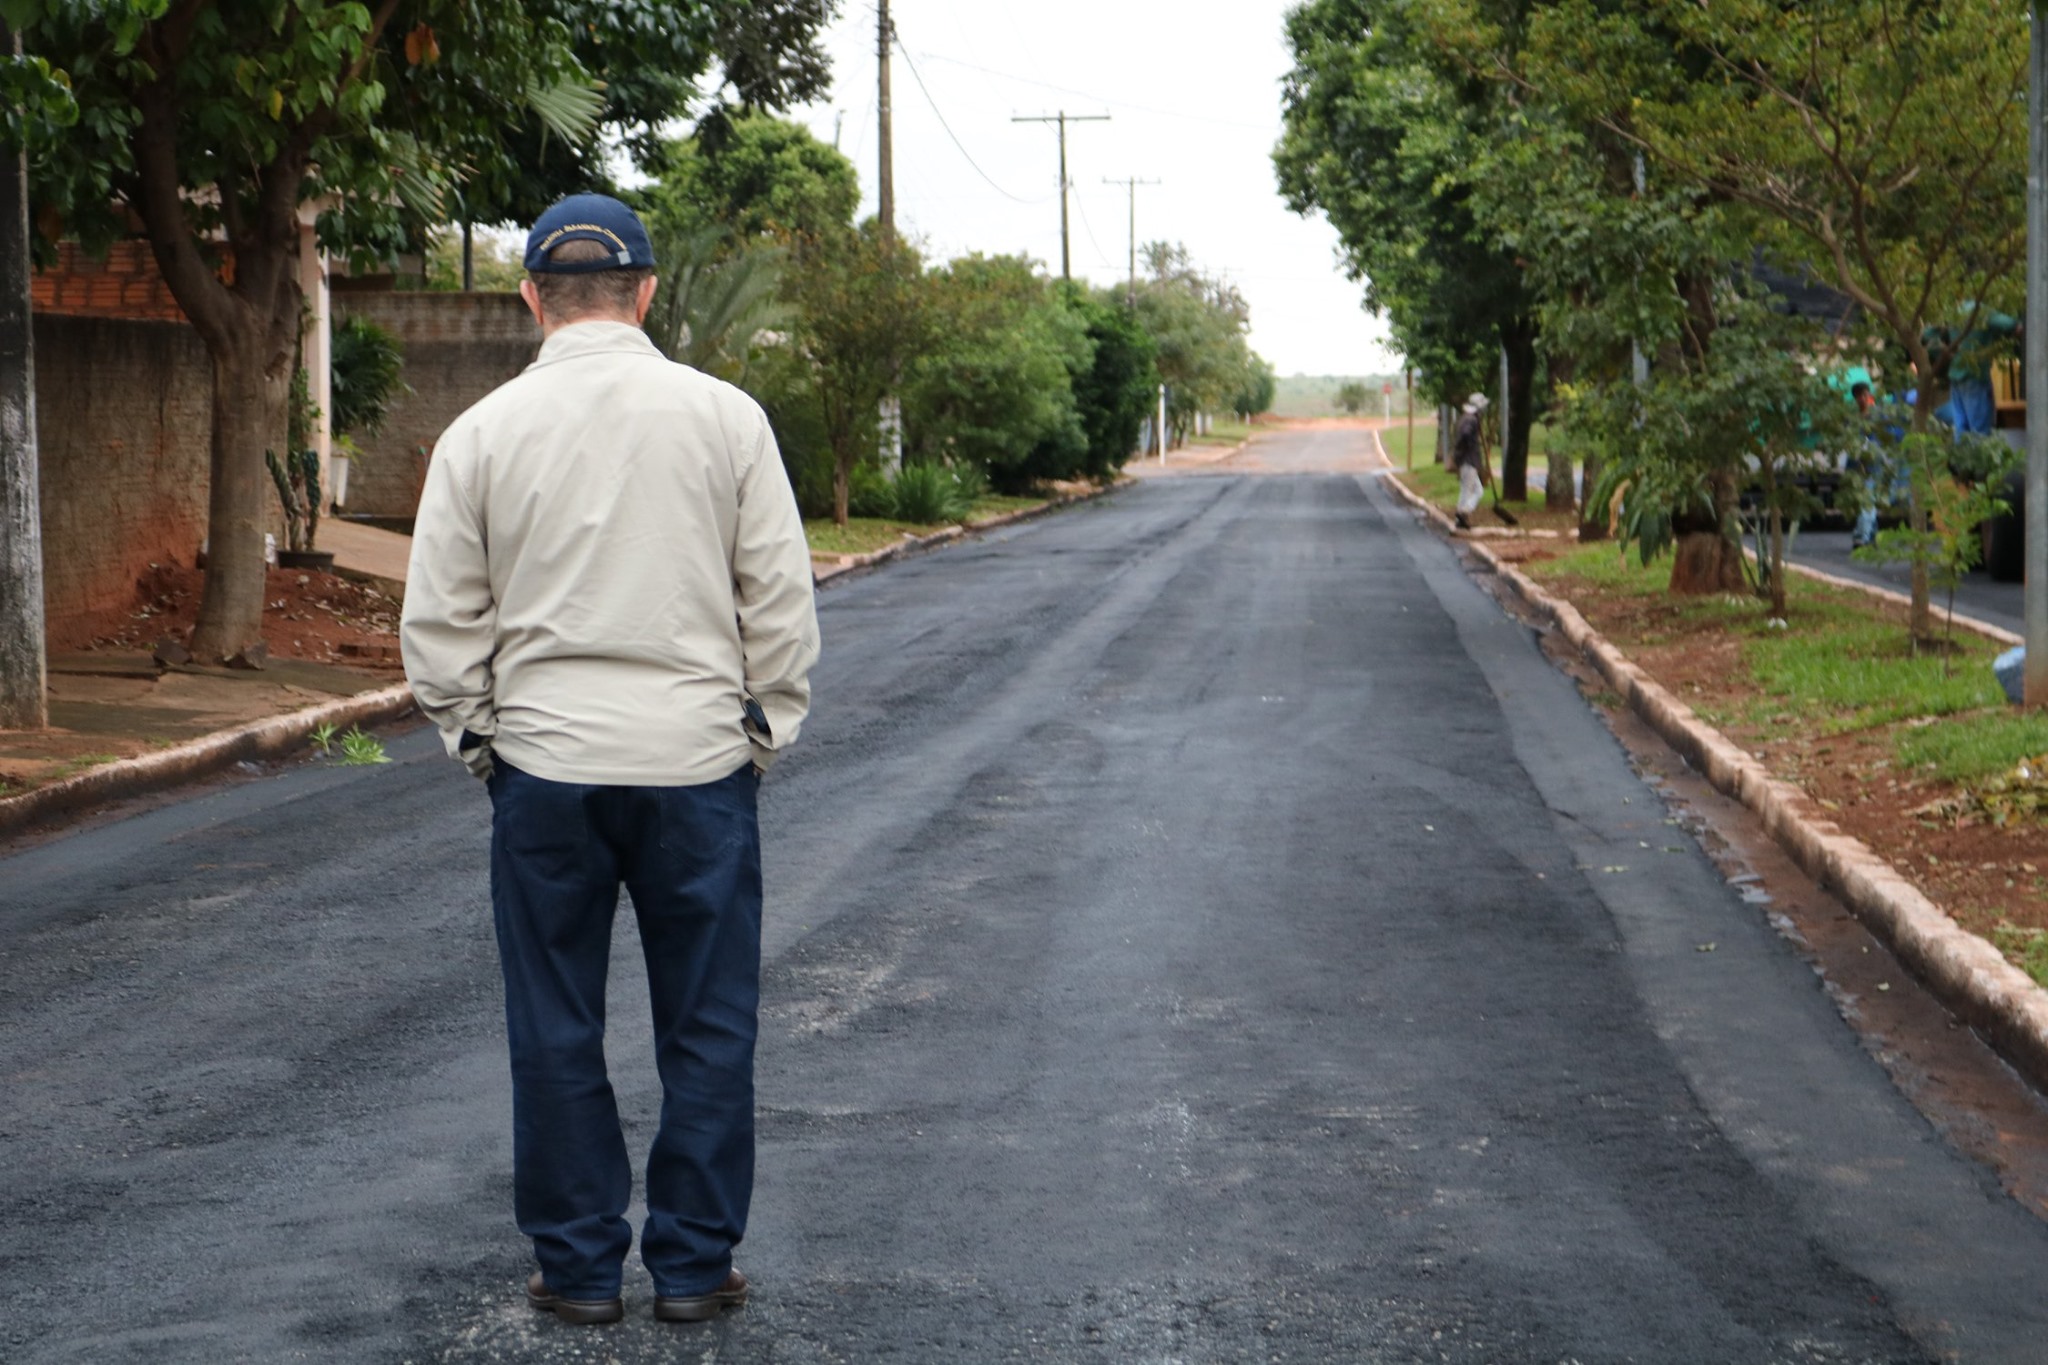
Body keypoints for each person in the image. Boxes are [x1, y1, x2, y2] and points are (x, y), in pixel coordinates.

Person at [400, 193, 820, 1327]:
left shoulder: (480, 433)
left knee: (553, 1023)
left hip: (545, 770)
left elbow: (440, 623)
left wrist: (480, 738)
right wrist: (761, 732)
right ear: (644, 293)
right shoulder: (726, 418)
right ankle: (691, 1267)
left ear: (532, 299)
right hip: (695, 769)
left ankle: (579, 1269)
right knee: (709, 1025)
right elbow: (777, 599)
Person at [1451, 393, 1489, 530]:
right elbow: (1465, 435)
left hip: (1467, 460)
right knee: (1470, 490)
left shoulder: (1467, 418)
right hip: (1469, 460)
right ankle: (1463, 513)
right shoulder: (1471, 420)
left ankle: (1461, 517)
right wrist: (1472, 447)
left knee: (1475, 490)